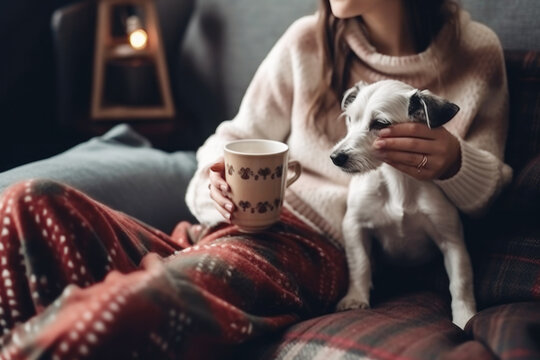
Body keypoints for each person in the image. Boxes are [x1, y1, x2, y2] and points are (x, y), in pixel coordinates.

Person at [0, 0, 511, 358]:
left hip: (307, 251)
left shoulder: (476, 52)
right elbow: (232, 140)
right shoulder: (305, 42)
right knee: (27, 201)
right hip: (226, 230)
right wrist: (214, 185)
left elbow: (490, 195)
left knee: (127, 306)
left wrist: (453, 162)